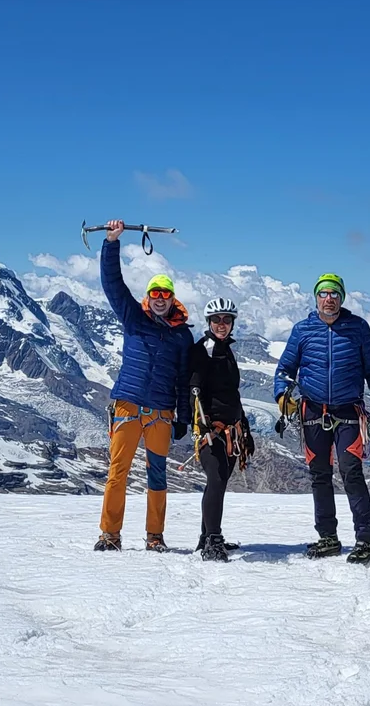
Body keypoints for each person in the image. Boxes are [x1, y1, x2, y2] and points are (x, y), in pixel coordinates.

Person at [94, 220, 195, 552]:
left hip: (162, 412)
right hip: (128, 405)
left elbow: (184, 379)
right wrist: (111, 242)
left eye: (166, 294)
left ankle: (155, 536)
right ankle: (110, 534)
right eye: (155, 293)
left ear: (172, 298)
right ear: (148, 298)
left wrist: (182, 417)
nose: (161, 298)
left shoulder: (182, 337)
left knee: (158, 476)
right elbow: (113, 283)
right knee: (117, 472)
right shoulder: (133, 319)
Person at [273, 273, 370, 564]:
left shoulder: (358, 328)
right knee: (319, 475)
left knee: (351, 472)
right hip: (312, 411)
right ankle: (328, 537)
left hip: (348, 411)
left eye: (334, 293)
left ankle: (364, 538)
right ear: (316, 297)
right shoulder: (303, 330)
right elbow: (285, 368)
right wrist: (282, 394)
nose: (329, 298)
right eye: (323, 293)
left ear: (342, 297)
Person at [187, 296, 254, 562]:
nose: (222, 324)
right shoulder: (203, 349)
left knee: (219, 481)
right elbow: (196, 390)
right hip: (211, 430)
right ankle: (212, 541)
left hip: (230, 429)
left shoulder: (225, 350)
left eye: (227, 320)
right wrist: (203, 427)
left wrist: (243, 424)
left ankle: (208, 536)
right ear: (209, 322)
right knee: (215, 479)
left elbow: (231, 394)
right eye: (217, 320)